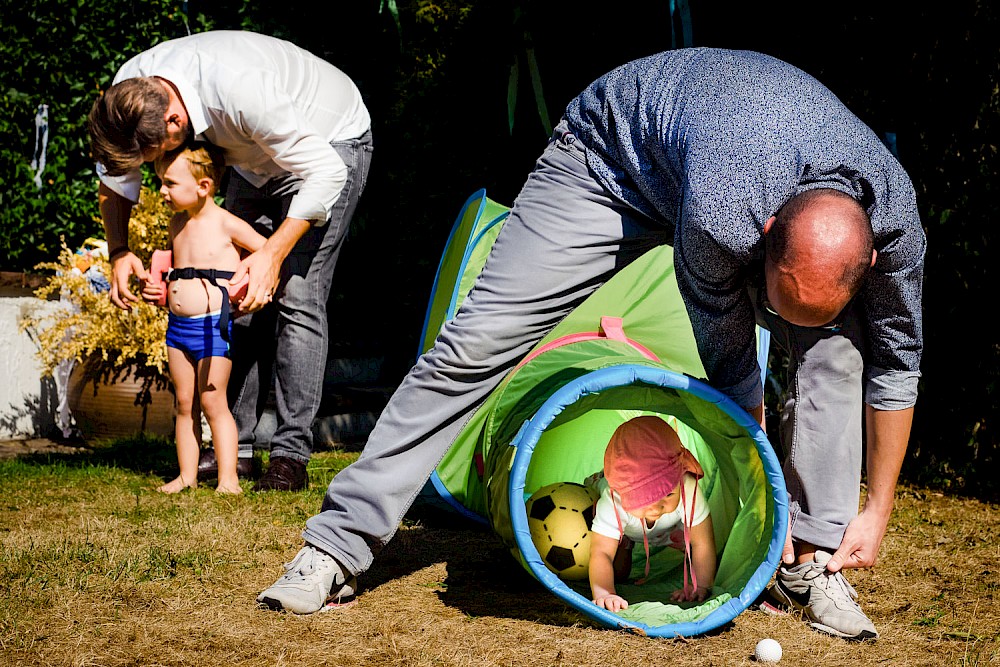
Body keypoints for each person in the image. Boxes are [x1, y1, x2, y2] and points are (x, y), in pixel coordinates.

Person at [257, 48, 924, 643]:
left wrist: (878, 507)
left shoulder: (898, 228)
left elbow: (898, 362)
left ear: (870, 263)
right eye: (779, 302)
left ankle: (814, 563)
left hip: (721, 159)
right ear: (768, 233)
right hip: (609, 163)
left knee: (835, 351)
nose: (786, 320)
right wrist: (757, 479)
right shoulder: (727, 208)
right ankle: (337, 545)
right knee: (480, 338)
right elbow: (731, 365)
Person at [86, 30, 374, 492]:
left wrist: (272, 256)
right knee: (230, 292)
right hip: (253, 156)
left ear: (176, 122)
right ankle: (233, 451)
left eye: (155, 159)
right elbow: (115, 180)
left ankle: (288, 455)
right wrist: (119, 251)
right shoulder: (130, 97)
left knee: (297, 295)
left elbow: (325, 171)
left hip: (328, 141)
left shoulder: (241, 91)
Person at [143, 143, 267, 495]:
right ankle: (187, 475)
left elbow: (265, 252)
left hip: (213, 326)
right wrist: (158, 287)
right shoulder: (176, 223)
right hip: (177, 328)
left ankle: (229, 479)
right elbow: (175, 268)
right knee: (185, 402)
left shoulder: (227, 224)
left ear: (204, 187)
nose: (163, 192)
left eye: (169, 184)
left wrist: (246, 282)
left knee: (213, 400)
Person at [587, 416, 716, 612]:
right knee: (619, 572)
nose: (656, 508)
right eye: (645, 498)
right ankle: (625, 543)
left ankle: (668, 541)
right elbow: (601, 552)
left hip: (668, 530)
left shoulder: (686, 486)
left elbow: (703, 542)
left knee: (692, 545)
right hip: (626, 525)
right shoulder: (613, 499)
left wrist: (700, 585)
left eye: (668, 494)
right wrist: (605, 593)